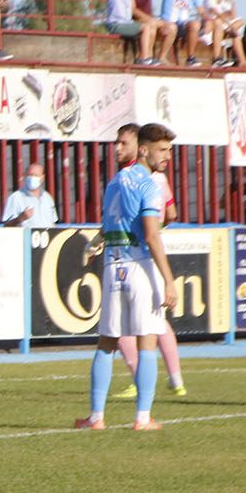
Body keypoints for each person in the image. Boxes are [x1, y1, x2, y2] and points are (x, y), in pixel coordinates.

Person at [77, 122, 179, 432]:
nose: (168, 157)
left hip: (113, 267)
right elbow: (151, 234)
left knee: (106, 343)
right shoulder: (150, 185)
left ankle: (96, 417)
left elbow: (107, 226)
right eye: (163, 150)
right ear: (145, 150)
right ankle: (142, 418)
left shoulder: (115, 182)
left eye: (170, 150)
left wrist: (96, 243)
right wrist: (169, 279)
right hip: (138, 267)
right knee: (147, 341)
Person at [108, 123, 186, 401]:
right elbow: (170, 215)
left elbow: (147, 227)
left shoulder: (127, 181)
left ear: (137, 146)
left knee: (121, 335)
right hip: (140, 256)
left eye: (122, 143)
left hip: (128, 258)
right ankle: (166, 384)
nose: (118, 148)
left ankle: (130, 392)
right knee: (152, 327)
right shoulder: (147, 180)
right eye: (163, 150)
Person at [104, 0, 157, 66]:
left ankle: (147, 56)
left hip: (126, 23)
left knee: (149, 26)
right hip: (115, 23)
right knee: (145, 28)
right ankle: (144, 58)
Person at [1, 162, 58, 228]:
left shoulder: (47, 197)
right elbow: (6, 226)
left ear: (42, 178)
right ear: (25, 176)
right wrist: (20, 219)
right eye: (30, 175)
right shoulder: (15, 197)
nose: (33, 178)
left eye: (36, 175)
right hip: (27, 237)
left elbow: (52, 222)